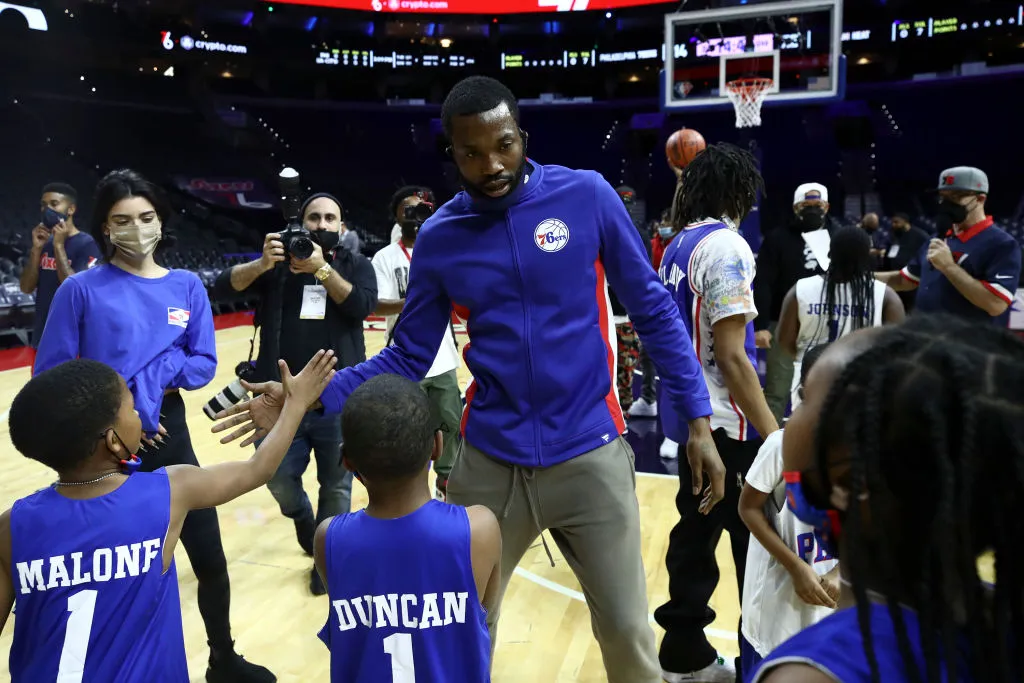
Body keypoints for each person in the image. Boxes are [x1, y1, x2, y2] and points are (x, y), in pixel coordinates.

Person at [212, 75, 724, 683]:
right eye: (472, 153)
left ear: (521, 136)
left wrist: (697, 417)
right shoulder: (443, 236)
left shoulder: (585, 196)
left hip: (589, 449)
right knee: (464, 633)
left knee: (627, 633)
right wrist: (307, 398)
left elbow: (653, 307)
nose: (492, 164)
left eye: (503, 145)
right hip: (490, 461)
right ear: (451, 154)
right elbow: (406, 358)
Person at [34, 169, 276, 682]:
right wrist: (123, 411)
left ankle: (222, 658)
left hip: (169, 428)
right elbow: (52, 375)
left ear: (160, 222)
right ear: (104, 227)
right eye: (122, 220)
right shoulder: (79, 291)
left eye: (146, 218)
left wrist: (157, 376)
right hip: (102, 440)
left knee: (208, 555)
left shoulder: (187, 286)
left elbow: (204, 363)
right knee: (124, 564)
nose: (136, 228)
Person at [0, 352, 336, 682]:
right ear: (115, 442)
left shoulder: (12, 525)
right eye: (131, 408)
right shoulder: (168, 491)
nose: (142, 413)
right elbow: (257, 469)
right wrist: (295, 403)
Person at [751, 314, 1024, 683]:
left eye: (804, 398)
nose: (792, 412)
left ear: (850, 482)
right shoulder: (1003, 621)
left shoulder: (809, 675)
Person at [655, 143, 781, 683]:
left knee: (694, 540)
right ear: (737, 192)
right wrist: (775, 436)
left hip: (694, 425)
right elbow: (732, 355)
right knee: (757, 553)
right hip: (732, 430)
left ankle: (684, 656)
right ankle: (762, 663)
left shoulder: (675, 246)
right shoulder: (728, 247)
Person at [213, 191, 376, 595]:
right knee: (277, 479)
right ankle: (302, 518)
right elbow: (220, 289)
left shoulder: (357, 264)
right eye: (314, 218)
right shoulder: (278, 268)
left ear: (342, 226)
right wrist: (262, 263)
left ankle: (327, 557)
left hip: (338, 399)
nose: (321, 226)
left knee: (337, 487)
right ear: (300, 225)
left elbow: (360, 307)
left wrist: (322, 270)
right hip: (278, 402)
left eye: (330, 218)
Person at [314, 374, 499, 682]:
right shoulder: (480, 529)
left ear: (346, 460)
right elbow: (485, 609)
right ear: (437, 446)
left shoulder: (329, 538)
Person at [737, 343, 839, 676]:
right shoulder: (780, 446)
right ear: (805, 391)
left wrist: (841, 572)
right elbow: (748, 508)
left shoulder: (864, 452)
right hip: (775, 613)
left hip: (831, 614)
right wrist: (795, 567)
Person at [373, 186, 463, 500]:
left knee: (452, 423)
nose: (414, 215)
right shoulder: (385, 257)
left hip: (443, 357)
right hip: (403, 358)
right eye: (407, 209)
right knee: (407, 430)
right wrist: (418, 299)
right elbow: (376, 304)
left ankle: (445, 482)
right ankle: (411, 489)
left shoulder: (446, 249)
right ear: (396, 215)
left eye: (421, 208)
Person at [776, 225, 905, 410]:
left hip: (810, 382)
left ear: (830, 253)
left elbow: (785, 341)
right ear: (866, 256)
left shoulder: (800, 289)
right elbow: (897, 351)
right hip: (862, 385)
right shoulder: (886, 296)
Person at [876, 166, 1021, 326]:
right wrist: (859, 278)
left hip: (969, 345)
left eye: (956, 196)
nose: (946, 204)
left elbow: (995, 304)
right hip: (928, 337)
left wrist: (949, 267)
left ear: (980, 199)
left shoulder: (1002, 244)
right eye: (943, 197)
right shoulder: (937, 238)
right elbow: (904, 280)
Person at [753, 182, 833, 424]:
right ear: (795, 208)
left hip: (826, 324)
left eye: (817, 205)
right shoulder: (777, 239)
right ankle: (769, 447)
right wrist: (762, 325)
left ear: (826, 207)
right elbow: (764, 283)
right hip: (785, 323)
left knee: (827, 389)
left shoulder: (838, 236)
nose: (811, 210)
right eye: (805, 206)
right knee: (777, 389)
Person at [18, 182, 101, 355]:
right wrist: (36, 249)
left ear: (70, 209)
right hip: (42, 335)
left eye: (54, 204)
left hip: (73, 338)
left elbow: (75, 288)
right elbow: (26, 287)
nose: (47, 210)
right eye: (44, 205)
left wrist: (58, 246)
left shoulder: (88, 245)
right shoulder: (43, 244)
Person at [609, 184, 652, 415]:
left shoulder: (638, 234)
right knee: (616, 371)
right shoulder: (603, 229)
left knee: (623, 371)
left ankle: (622, 414)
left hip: (624, 314)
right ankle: (618, 415)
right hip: (610, 313)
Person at [882, 213, 930, 311]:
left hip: (911, 279)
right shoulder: (895, 235)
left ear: (905, 222)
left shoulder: (920, 235)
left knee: (909, 309)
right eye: (892, 222)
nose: (893, 225)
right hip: (895, 276)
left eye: (896, 222)